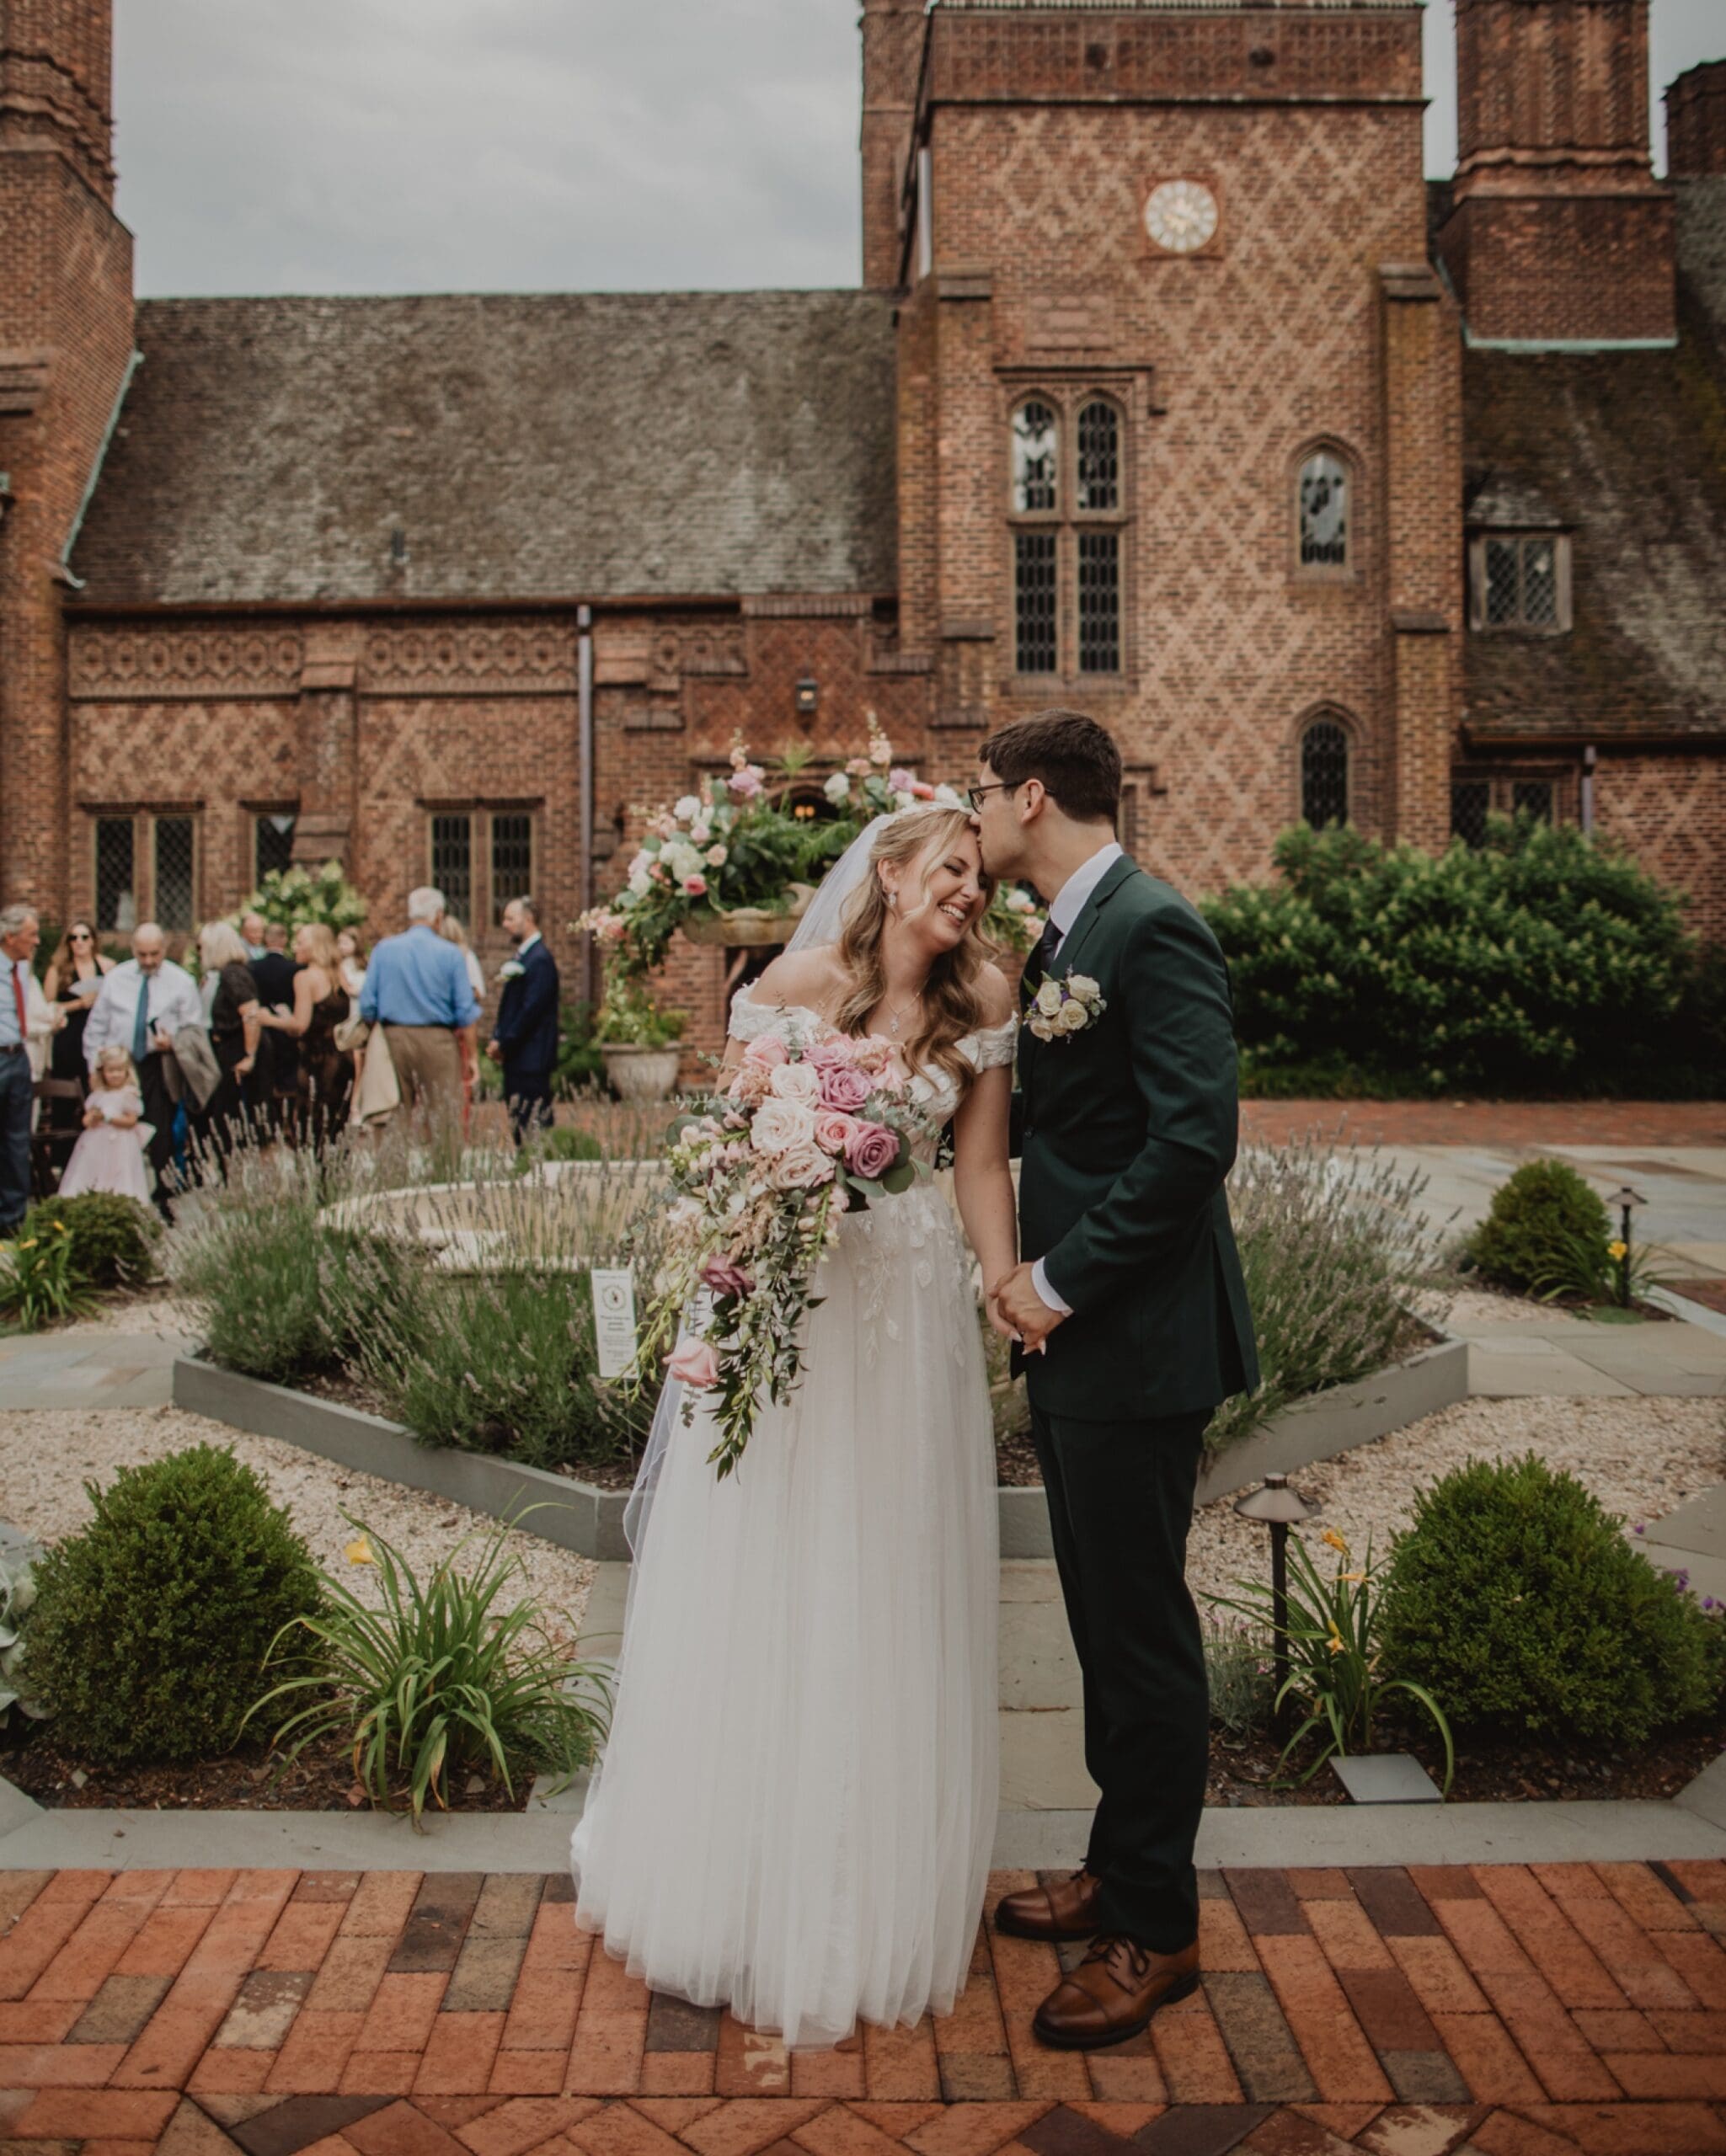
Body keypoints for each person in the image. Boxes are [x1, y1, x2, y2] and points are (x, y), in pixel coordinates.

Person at [571, 803, 1015, 2047]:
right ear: (889, 872)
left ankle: (863, 1887)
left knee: (887, 1573)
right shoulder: (797, 982)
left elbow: (979, 1167)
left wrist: (1001, 1286)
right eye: (950, 872)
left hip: (908, 1313)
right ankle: (724, 1880)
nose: (967, 895)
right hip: (799, 1303)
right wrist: (761, 1213)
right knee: (768, 1559)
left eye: (978, 881)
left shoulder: (981, 1007)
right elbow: (725, 1145)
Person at [970, 709, 1258, 2052]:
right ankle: (1114, 1866)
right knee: (1099, 1619)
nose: (972, 816)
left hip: (1134, 1341)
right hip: (1084, 1346)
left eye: (980, 794)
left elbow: (1194, 1142)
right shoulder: (1065, 935)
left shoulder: (1151, 925)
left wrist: (1058, 1280)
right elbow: (1069, 1117)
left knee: (1142, 1636)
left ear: (1030, 797)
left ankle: (1160, 1928)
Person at [83, 923, 203, 1215]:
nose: (148, 961)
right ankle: (114, 1198)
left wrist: (173, 1042)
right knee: (116, 1133)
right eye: (142, 955)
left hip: (158, 1064)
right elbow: (96, 1026)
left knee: (160, 1133)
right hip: (120, 1066)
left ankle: (164, 1198)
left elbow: (195, 1030)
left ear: (164, 949)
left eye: (154, 954)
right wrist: (93, 1068)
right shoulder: (116, 978)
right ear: (133, 950)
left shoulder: (181, 981)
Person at [359, 888, 480, 1128]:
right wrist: (473, 1057)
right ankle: (444, 1164)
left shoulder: (384, 949)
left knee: (391, 1114)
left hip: (393, 1038)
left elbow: (367, 1005)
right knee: (445, 1117)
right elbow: (466, 1011)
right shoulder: (451, 954)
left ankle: (392, 1166)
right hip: (438, 1039)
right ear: (438, 915)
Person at [256, 921, 352, 1145]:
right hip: (342, 1059)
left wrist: (268, 1019)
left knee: (312, 1127)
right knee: (337, 1126)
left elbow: (300, 1025)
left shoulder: (305, 978)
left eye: (299, 942)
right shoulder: (339, 975)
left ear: (314, 946)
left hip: (316, 1062)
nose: (294, 947)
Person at [1, 904, 61, 1233]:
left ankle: (12, 1222)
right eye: (31, 935)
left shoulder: (23, 970)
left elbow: (28, 1013)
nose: (37, 942)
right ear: (10, 937)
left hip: (18, 1058)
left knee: (17, 1139)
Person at [486, 896, 559, 1143]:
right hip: (521, 1056)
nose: (505, 924)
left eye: (510, 918)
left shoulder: (539, 960)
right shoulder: (526, 957)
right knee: (519, 1122)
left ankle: (538, 1170)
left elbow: (530, 1011)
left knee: (534, 1123)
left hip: (532, 1058)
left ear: (528, 920)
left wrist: (504, 1043)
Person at [194, 921, 262, 1166]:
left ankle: (232, 1175)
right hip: (222, 1049)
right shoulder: (218, 975)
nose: (199, 952)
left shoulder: (233, 974)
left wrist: (249, 1055)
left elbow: (251, 1014)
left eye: (202, 947)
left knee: (229, 1117)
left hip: (234, 1051)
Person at [41, 921, 115, 1131]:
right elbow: (48, 1007)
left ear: (93, 940)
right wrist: (79, 1003)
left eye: (84, 937)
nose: (79, 942)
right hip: (68, 1037)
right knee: (65, 1098)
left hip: (98, 1037)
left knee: (96, 1091)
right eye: (74, 938)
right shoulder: (58, 970)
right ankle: (61, 1157)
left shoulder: (107, 966)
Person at [57, 1045, 151, 1203]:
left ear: (127, 1071)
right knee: (94, 1173)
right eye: (111, 1071)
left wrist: (107, 1118)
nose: (115, 1075)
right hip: (97, 1142)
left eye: (119, 1070)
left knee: (120, 1174)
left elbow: (131, 1121)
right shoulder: (98, 1095)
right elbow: (86, 1121)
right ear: (103, 1072)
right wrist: (92, 1118)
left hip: (121, 1143)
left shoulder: (129, 1094)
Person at [249, 921, 299, 1123]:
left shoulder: (253, 967)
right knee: (287, 1080)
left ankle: (267, 1120)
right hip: (287, 1029)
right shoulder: (293, 969)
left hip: (261, 1029)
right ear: (284, 940)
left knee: (265, 1080)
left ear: (265, 940)